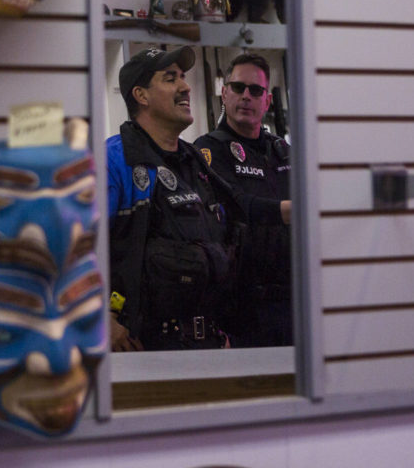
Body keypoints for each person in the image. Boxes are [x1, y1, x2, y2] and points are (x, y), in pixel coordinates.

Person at [105, 46, 241, 352]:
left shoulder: (195, 162)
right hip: (145, 353)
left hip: (210, 347)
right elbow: (70, 250)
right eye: (170, 79)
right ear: (141, 95)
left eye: (183, 77)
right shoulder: (115, 162)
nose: (186, 87)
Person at [195, 53, 293, 347]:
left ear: (268, 101)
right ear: (224, 93)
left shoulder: (282, 150)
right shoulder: (207, 151)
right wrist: (295, 210)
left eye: (255, 90)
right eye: (238, 88)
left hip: (292, 299)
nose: (246, 96)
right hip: (242, 307)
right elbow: (239, 205)